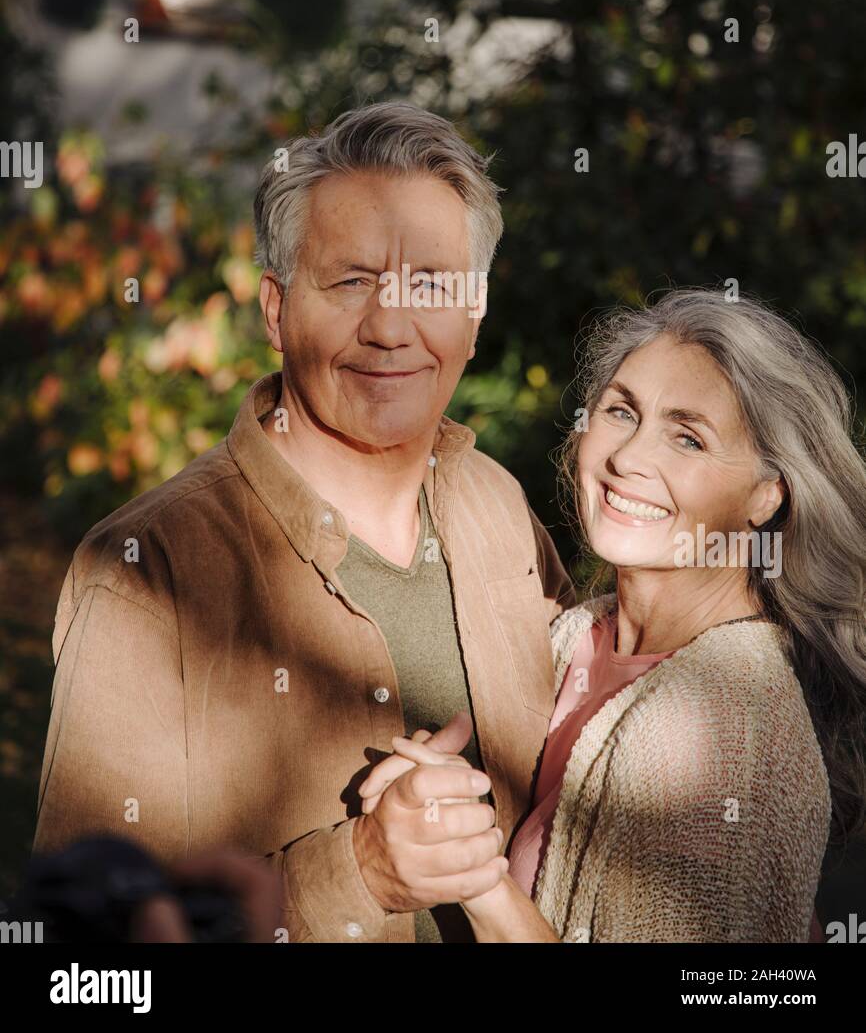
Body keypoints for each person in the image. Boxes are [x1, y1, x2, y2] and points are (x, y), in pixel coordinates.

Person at [31, 100, 577, 944]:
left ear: (475, 313)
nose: (391, 328)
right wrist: (355, 873)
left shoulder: (500, 510)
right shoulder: (147, 571)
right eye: (352, 281)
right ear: (276, 310)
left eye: (429, 285)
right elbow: (88, 962)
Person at [361, 289, 866, 941]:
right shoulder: (575, 635)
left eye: (688, 438)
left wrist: (473, 876)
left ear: (766, 496)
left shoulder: (726, 724)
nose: (629, 458)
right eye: (622, 412)